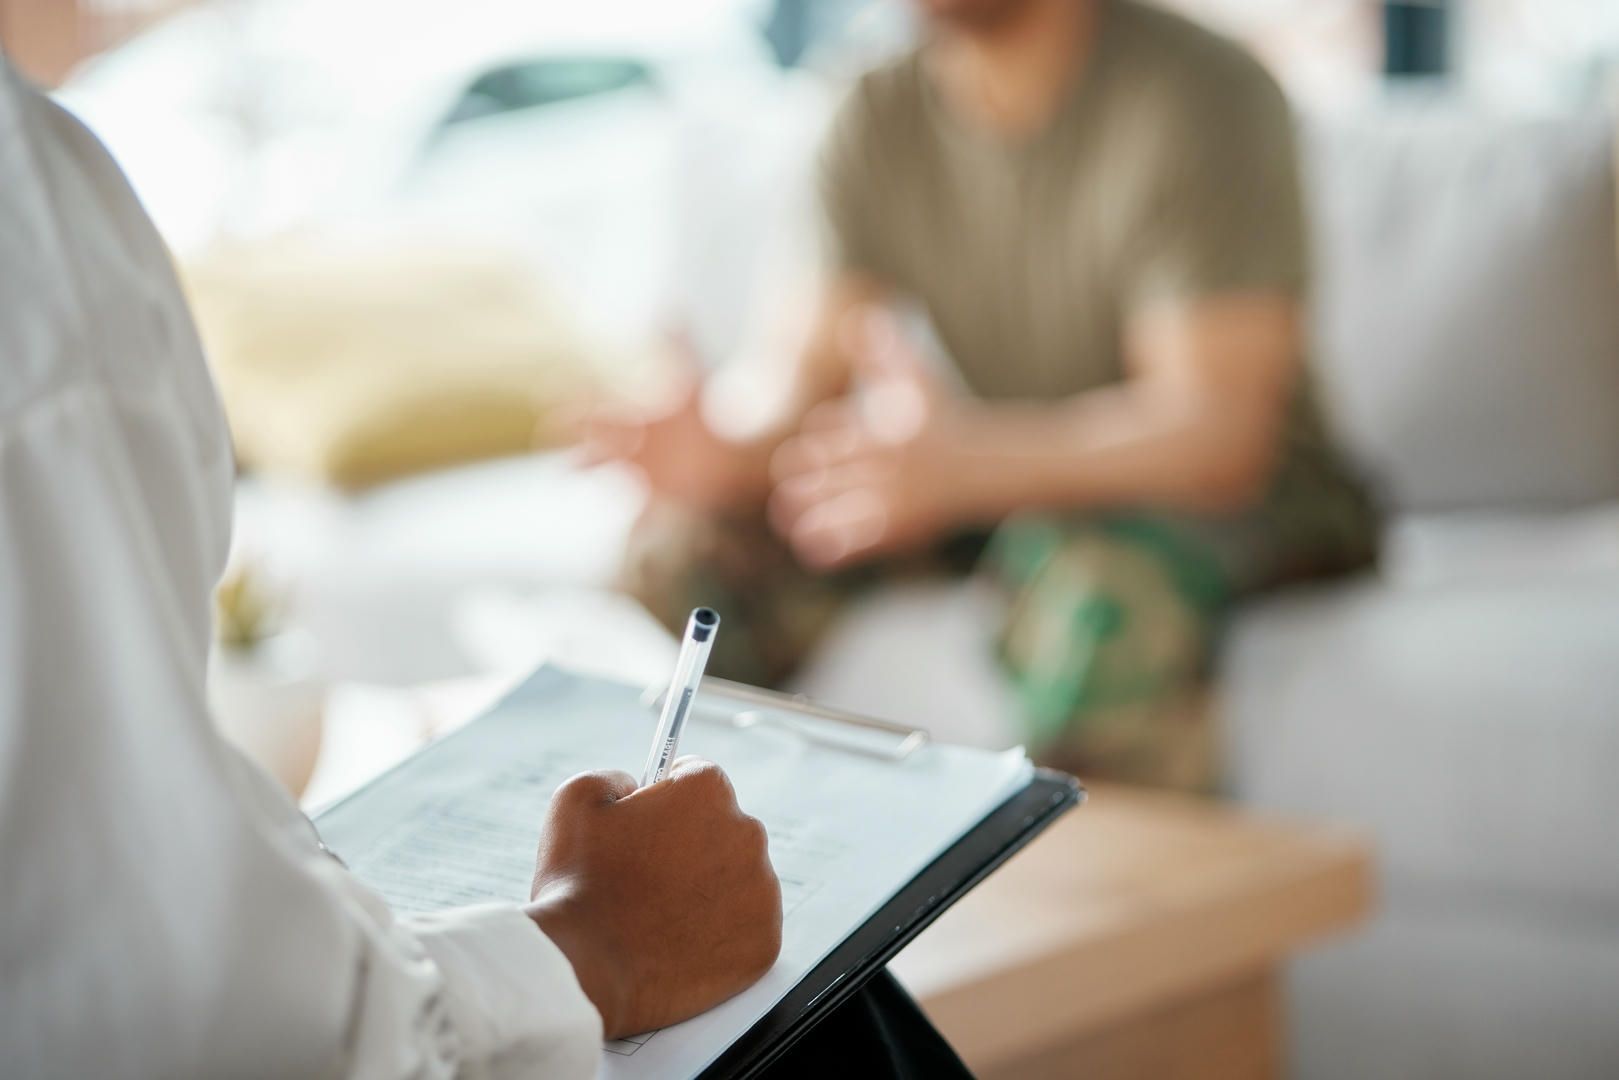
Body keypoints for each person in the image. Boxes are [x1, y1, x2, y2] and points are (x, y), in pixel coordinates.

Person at [0, 56, 968, 1078]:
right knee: (833, 1021)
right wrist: (587, 946)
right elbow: (201, 1020)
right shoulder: (32, 221)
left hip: (1037, 503)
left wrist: (960, 465)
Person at [586, 0, 1380, 790]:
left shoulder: (1200, 90)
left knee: (1095, 587)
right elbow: (796, 382)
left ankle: (1109, 903)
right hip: (999, 480)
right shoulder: (875, 102)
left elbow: (1211, 435)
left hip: (1249, 491)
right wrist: (720, 447)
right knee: (685, 552)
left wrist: (962, 467)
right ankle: (691, 888)